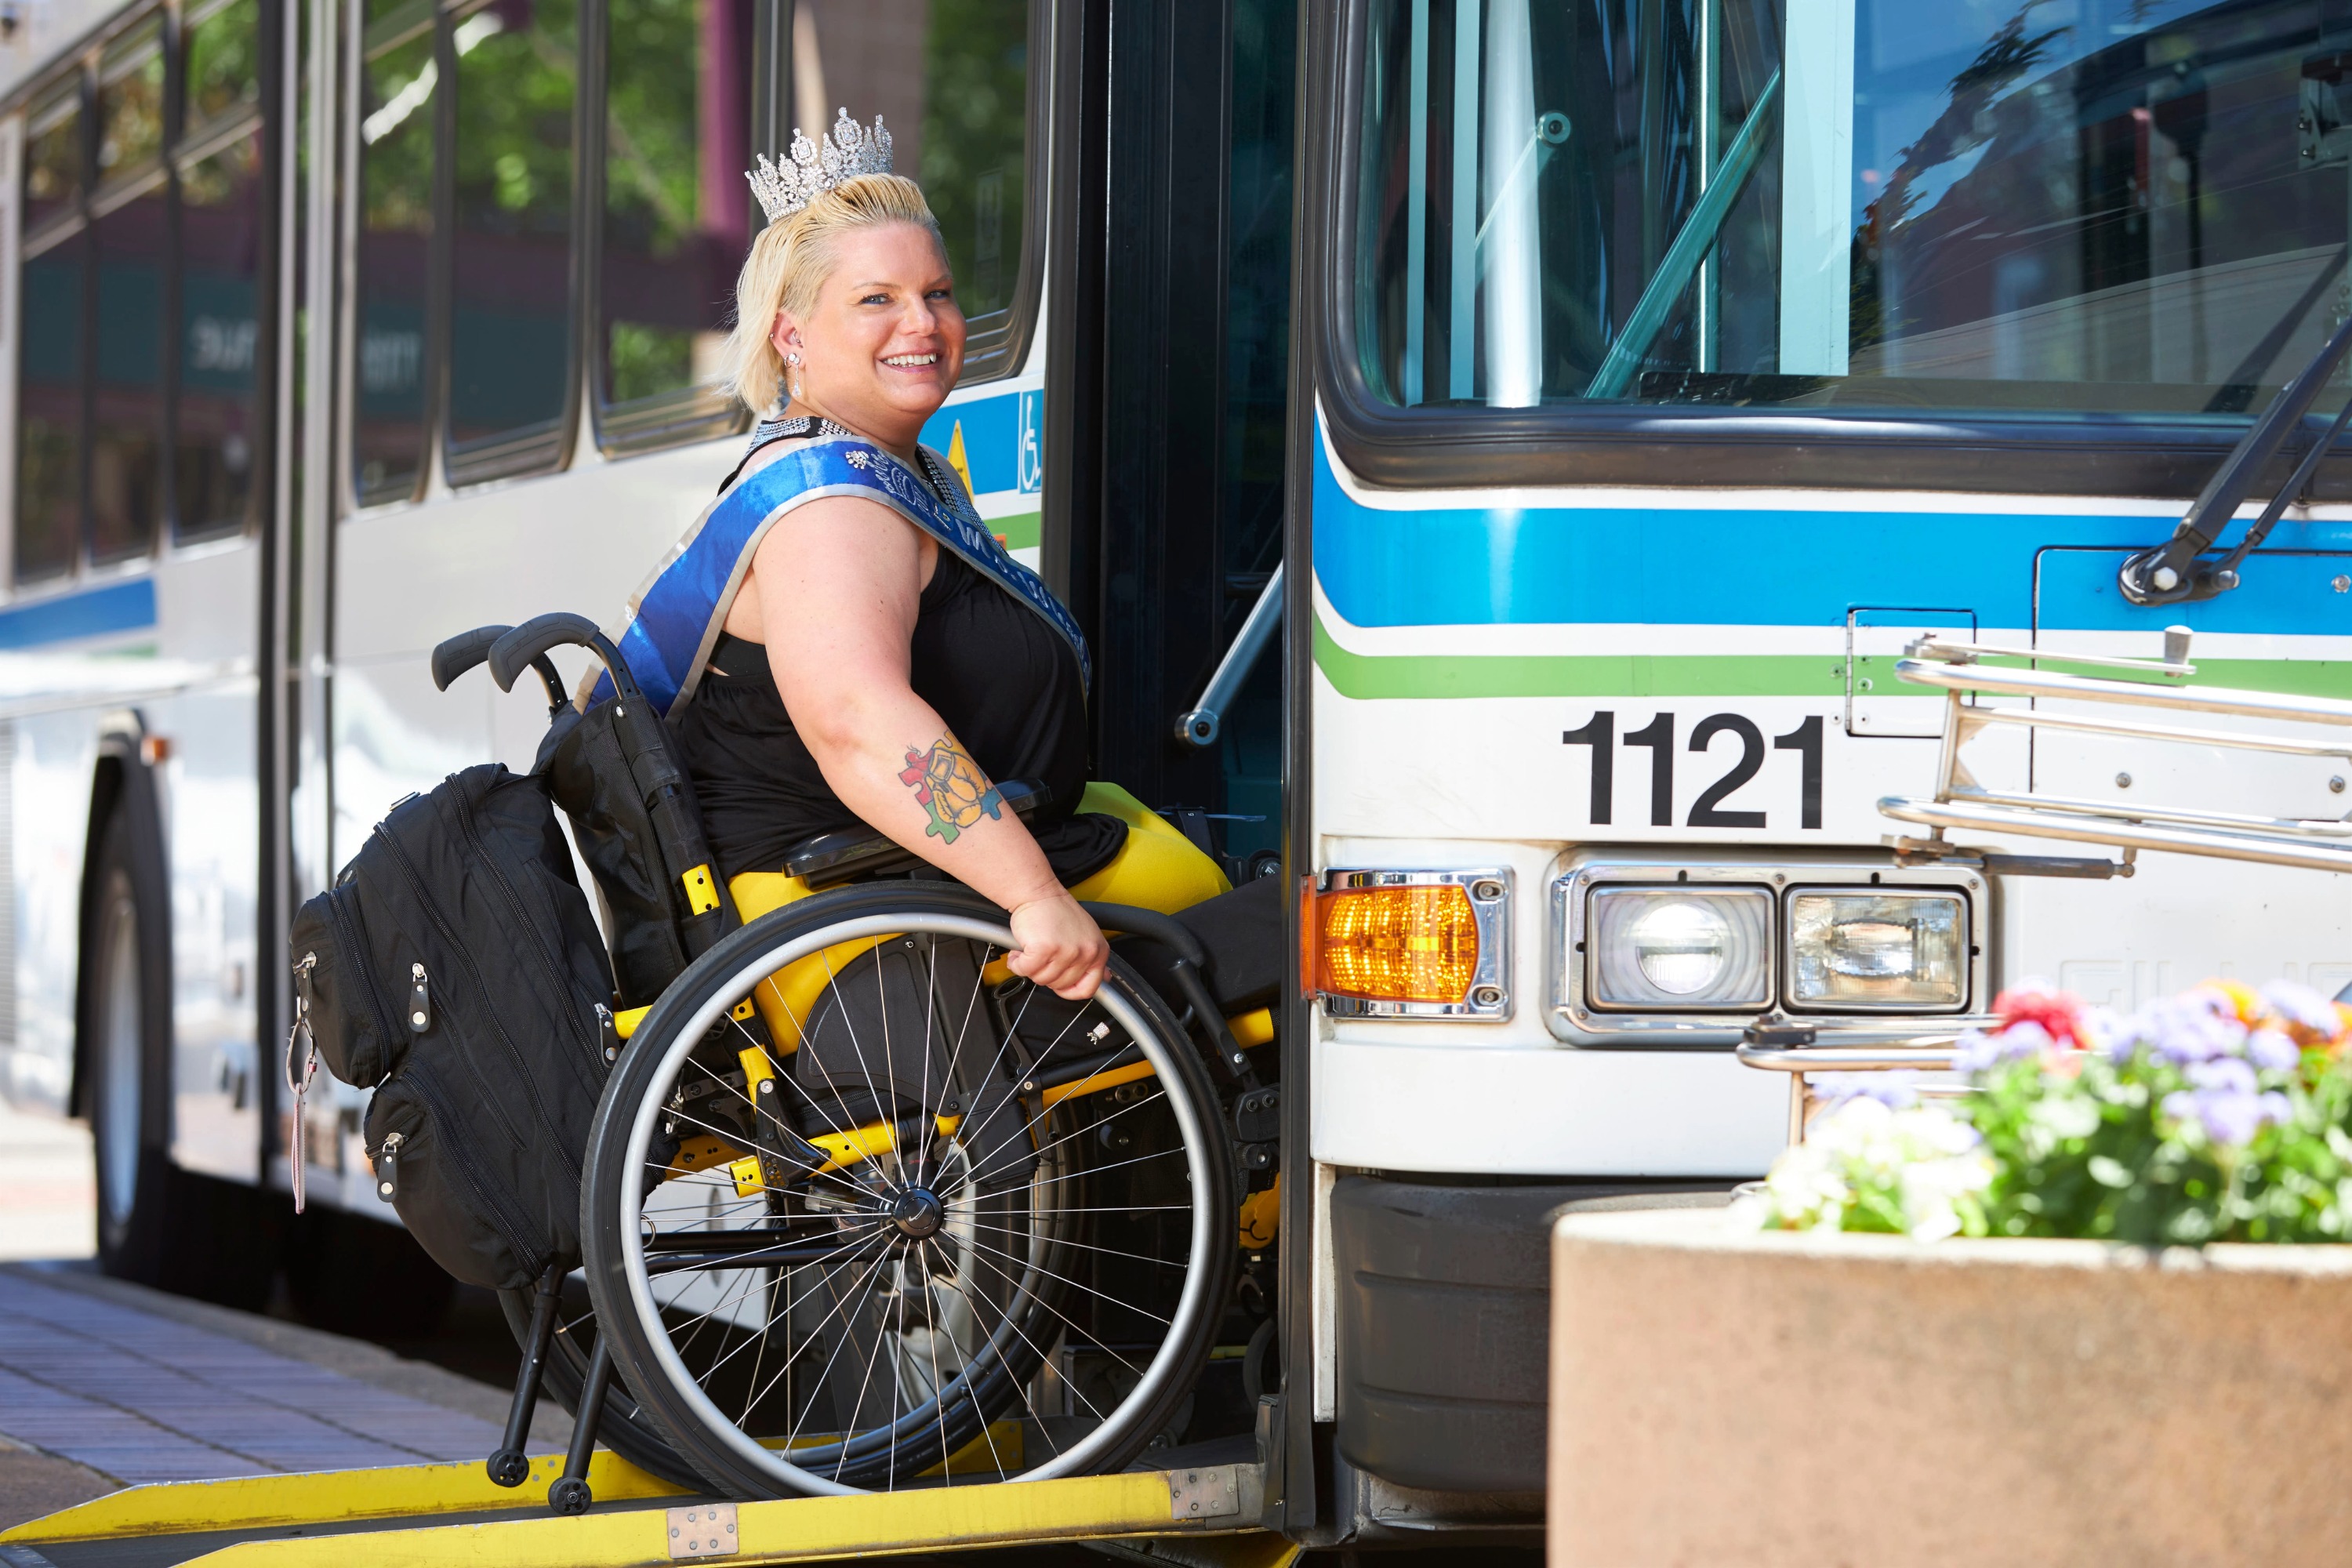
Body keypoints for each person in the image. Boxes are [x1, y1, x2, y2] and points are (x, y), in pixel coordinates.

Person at [608, 112, 1116, 1001]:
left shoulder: (892, 473)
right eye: (876, 298)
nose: (923, 322)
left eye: (939, 292)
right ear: (791, 335)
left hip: (914, 891)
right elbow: (857, 722)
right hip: (873, 921)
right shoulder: (830, 503)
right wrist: (1033, 894)